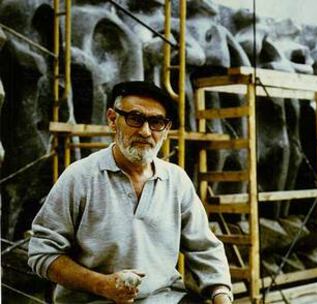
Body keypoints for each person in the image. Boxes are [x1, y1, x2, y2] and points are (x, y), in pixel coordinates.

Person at [28, 81, 233, 304]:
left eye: (156, 122)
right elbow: (43, 253)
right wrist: (102, 285)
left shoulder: (176, 180)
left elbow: (204, 248)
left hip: (165, 298)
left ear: (166, 129)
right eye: (135, 119)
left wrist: (221, 294)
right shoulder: (81, 177)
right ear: (112, 120)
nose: (145, 132)